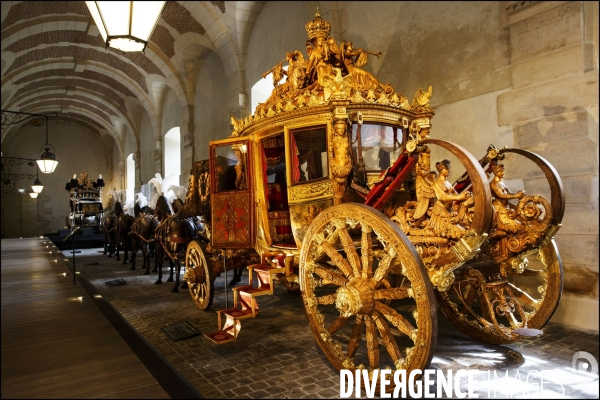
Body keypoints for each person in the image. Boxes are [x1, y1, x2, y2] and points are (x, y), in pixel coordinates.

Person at [425, 159, 470, 239]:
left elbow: (455, 193)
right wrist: (458, 197)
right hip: (440, 214)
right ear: (441, 170)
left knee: (466, 228)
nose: (448, 171)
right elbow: (443, 197)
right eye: (446, 169)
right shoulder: (436, 183)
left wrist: (464, 196)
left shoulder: (447, 183)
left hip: (450, 211)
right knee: (459, 233)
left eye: (448, 169)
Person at [490, 163, 525, 233]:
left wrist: (518, 194)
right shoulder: (493, 184)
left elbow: (509, 193)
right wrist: (516, 196)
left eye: (503, 171)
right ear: (495, 172)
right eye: (501, 171)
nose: (502, 173)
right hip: (499, 209)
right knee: (515, 227)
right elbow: (500, 195)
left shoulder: (501, 183)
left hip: (507, 208)